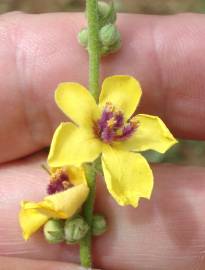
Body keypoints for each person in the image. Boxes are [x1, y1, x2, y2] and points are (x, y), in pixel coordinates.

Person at [1, 11, 205, 270]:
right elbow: (69, 103)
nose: (110, 126)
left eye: (113, 126)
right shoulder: (76, 137)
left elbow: (126, 95)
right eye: (107, 125)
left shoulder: (117, 128)